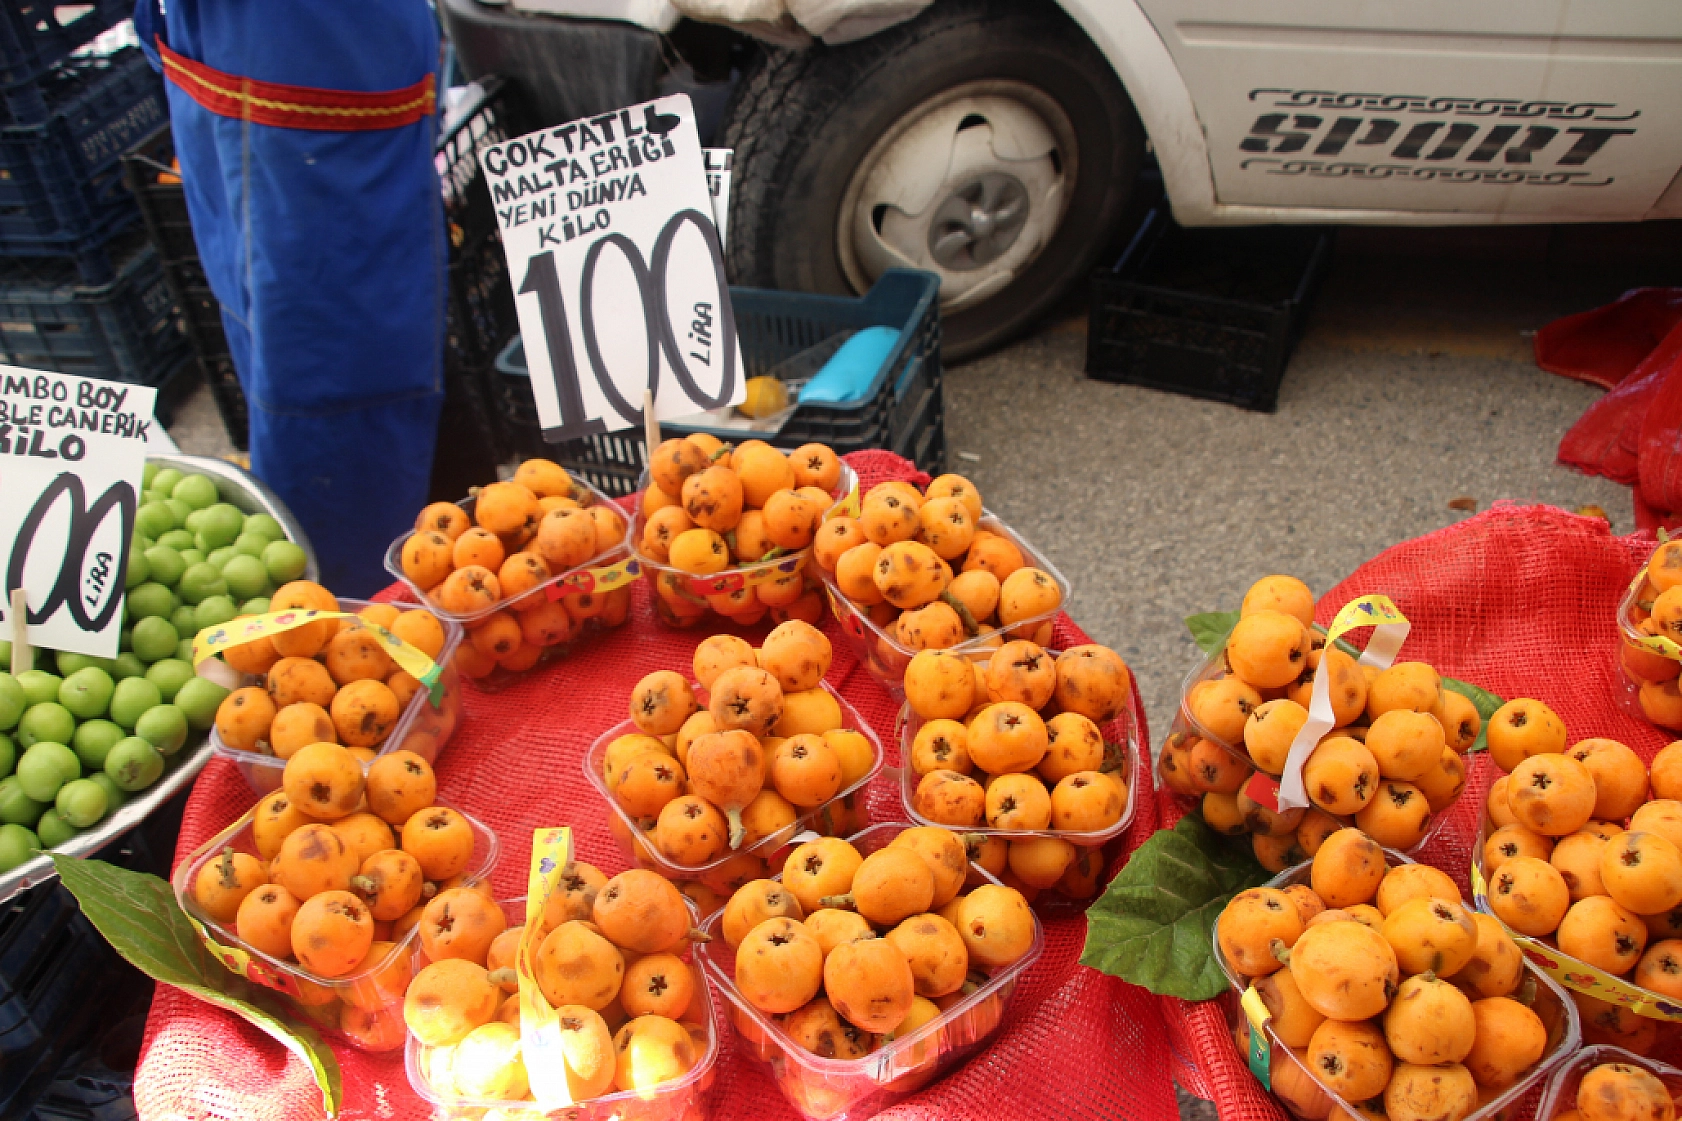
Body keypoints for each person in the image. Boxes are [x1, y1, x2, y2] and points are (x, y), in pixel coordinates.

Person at [134, 0, 444, 594]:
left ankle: (361, 597)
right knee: (276, 335)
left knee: (330, 355)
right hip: (231, 61)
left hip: (314, 64)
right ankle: (349, 599)